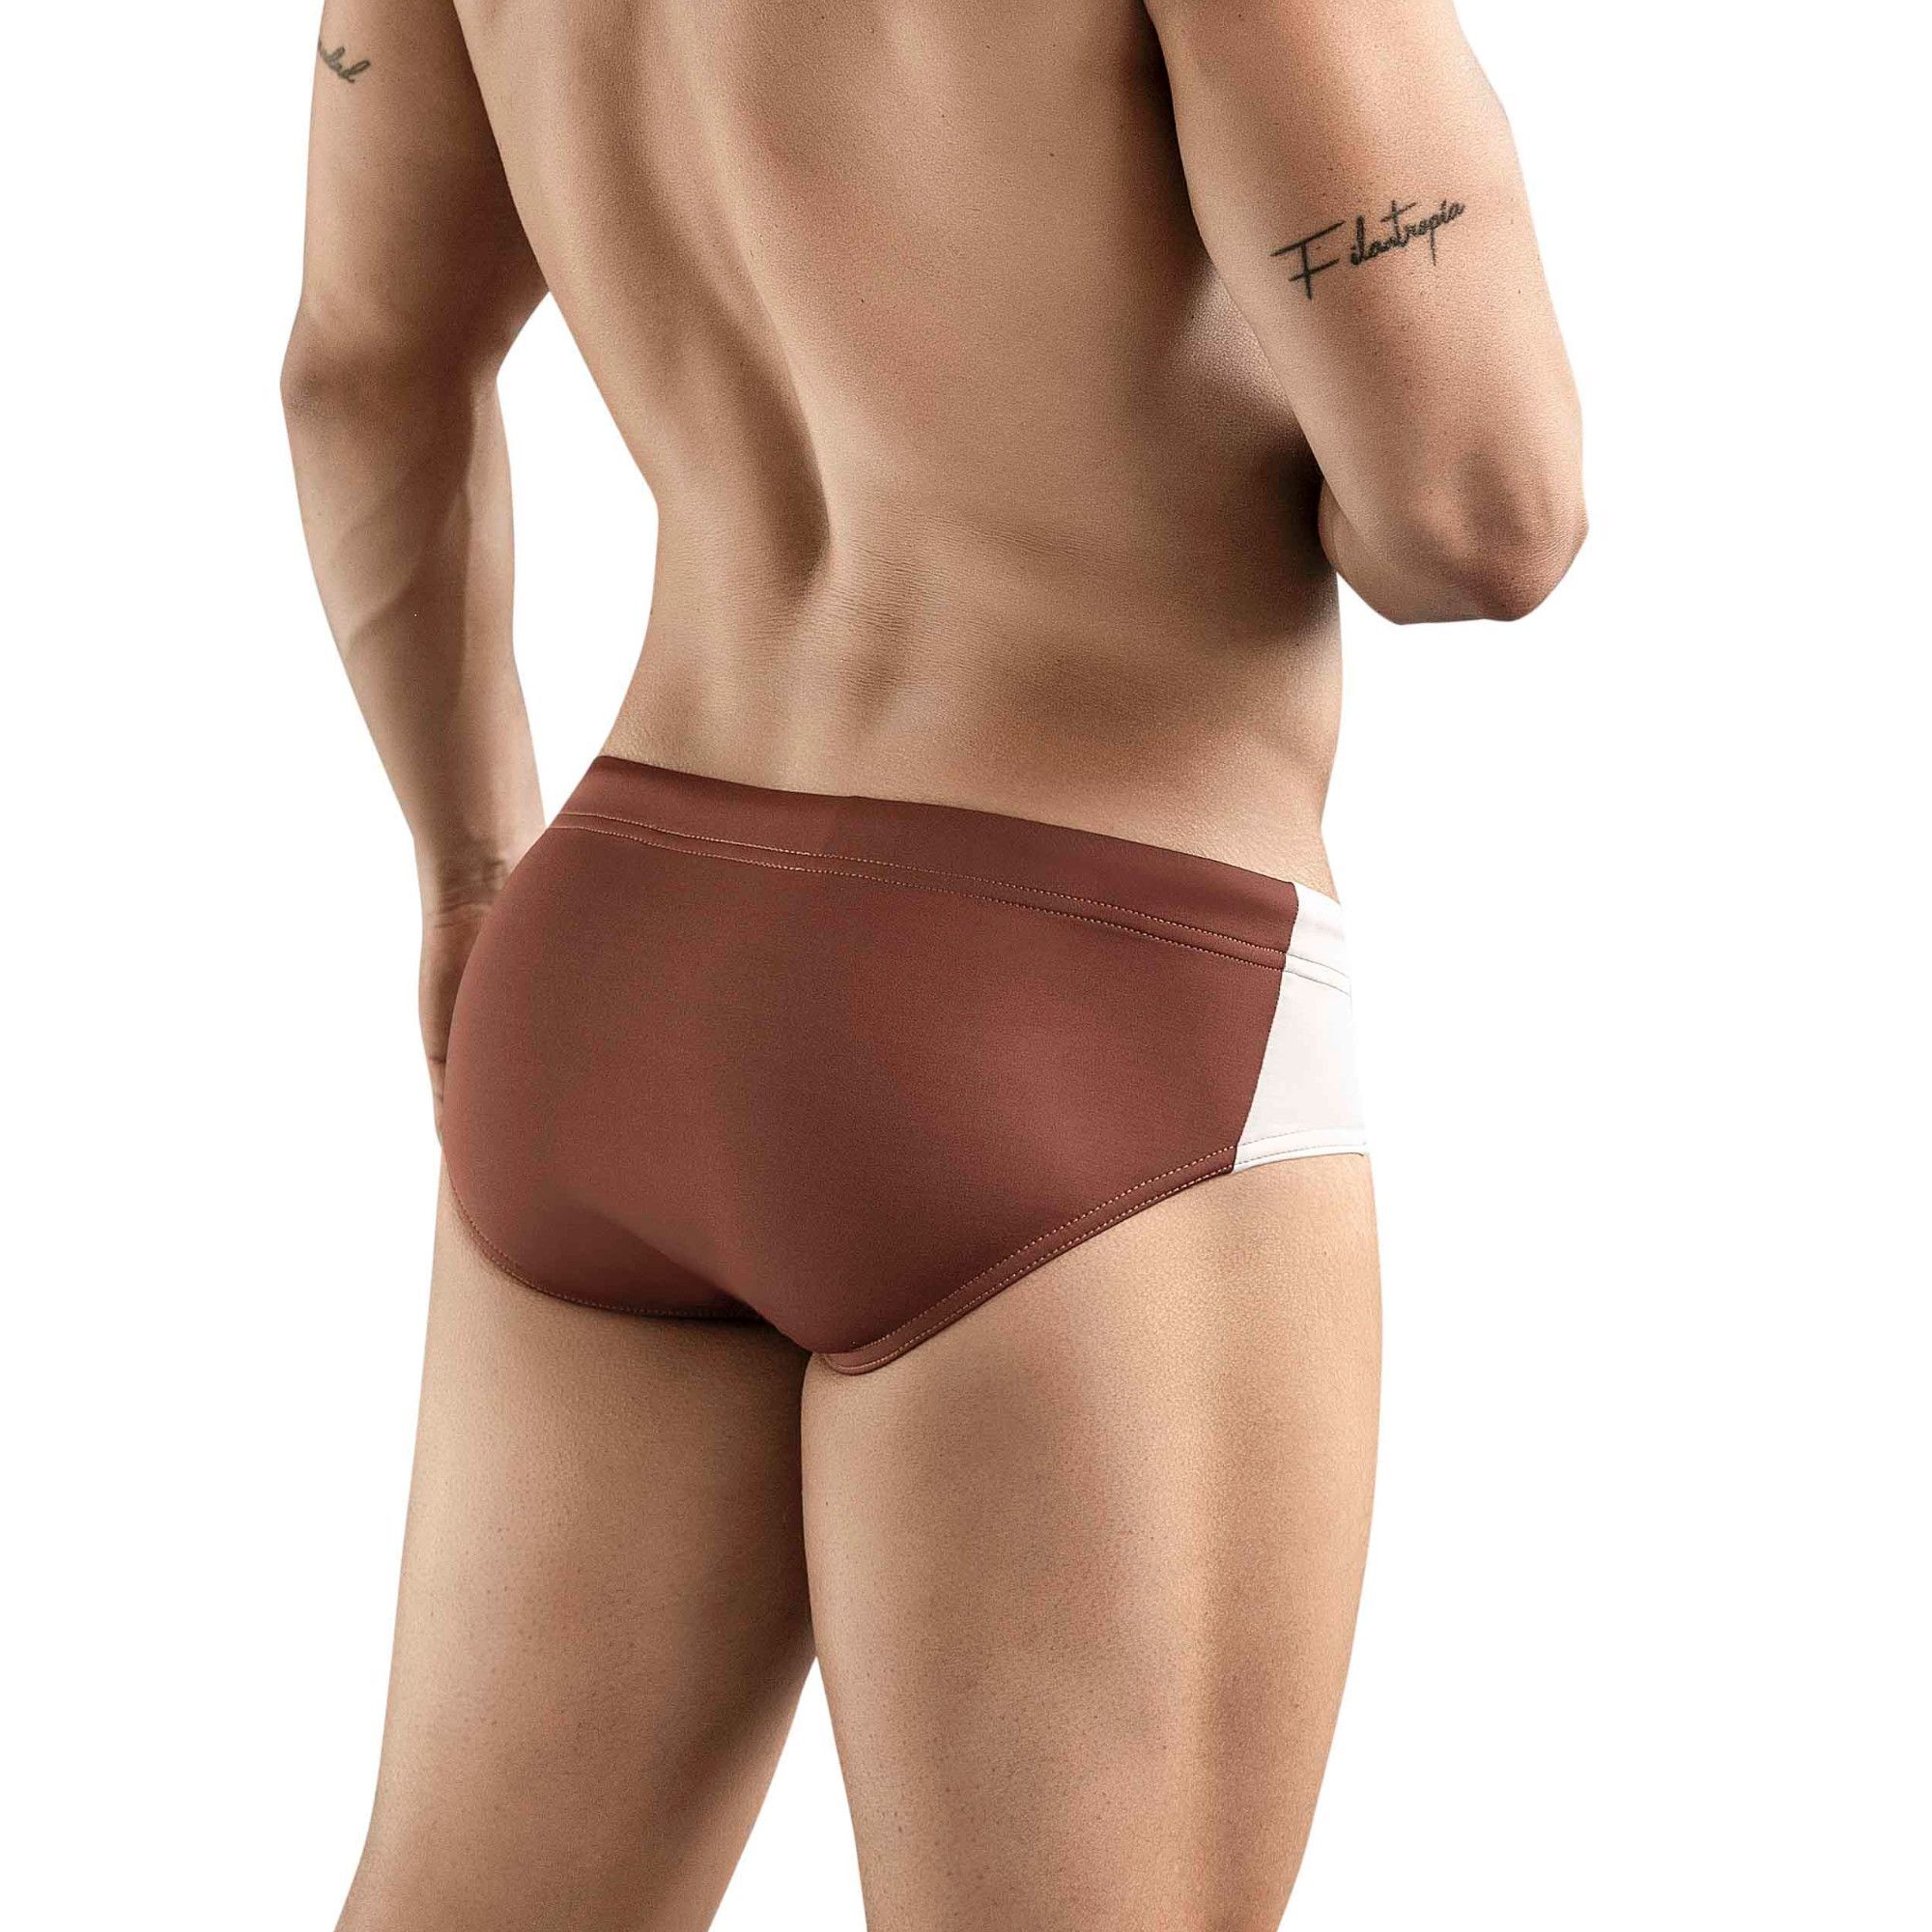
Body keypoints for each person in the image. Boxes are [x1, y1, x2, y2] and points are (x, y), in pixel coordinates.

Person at [282, 0, 1582, 1921]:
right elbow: (1480, 515)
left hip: (614, 951)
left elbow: (360, 369)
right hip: (1077, 989)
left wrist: (470, 869)